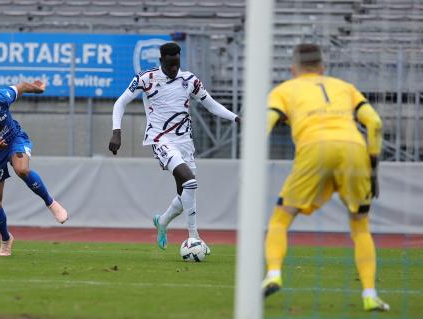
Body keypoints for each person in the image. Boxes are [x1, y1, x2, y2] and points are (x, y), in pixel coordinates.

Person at [262, 43, 389, 312]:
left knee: (281, 218)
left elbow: (267, 122)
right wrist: (373, 167)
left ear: (293, 69)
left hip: (314, 148)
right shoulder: (344, 86)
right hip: (354, 150)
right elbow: (375, 122)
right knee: (360, 226)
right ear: (322, 67)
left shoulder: (284, 90)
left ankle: (273, 274)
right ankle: (369, 294)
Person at [109, 42, 240, 251]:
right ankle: (194, 237)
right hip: (160, 140)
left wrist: (236, 118)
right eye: (169, 65)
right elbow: (121, 102)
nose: (173, 69)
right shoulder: (146, 78)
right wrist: (117, 132)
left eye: (176, 64)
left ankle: (162, 222)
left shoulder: (189, 81)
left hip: (185, 142)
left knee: (185, 192)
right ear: (161, 61)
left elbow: (211, 104)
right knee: (190, 181)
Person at [0, 81, 69, 257]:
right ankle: (6, 238)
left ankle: (51, 203)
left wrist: (38, 89)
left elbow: (23, 86)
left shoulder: (0, 97)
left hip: (13, 139)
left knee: (22, 170)